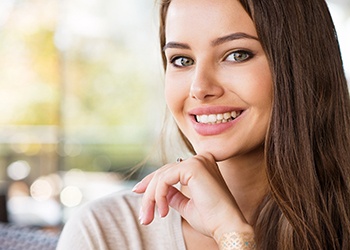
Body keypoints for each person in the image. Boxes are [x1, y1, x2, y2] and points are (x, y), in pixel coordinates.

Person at [57, 0, 350, 249]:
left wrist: (232, 234)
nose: (199, 88)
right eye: (182, 60)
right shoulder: (104, 233)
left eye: (237, 55)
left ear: (300, 64)